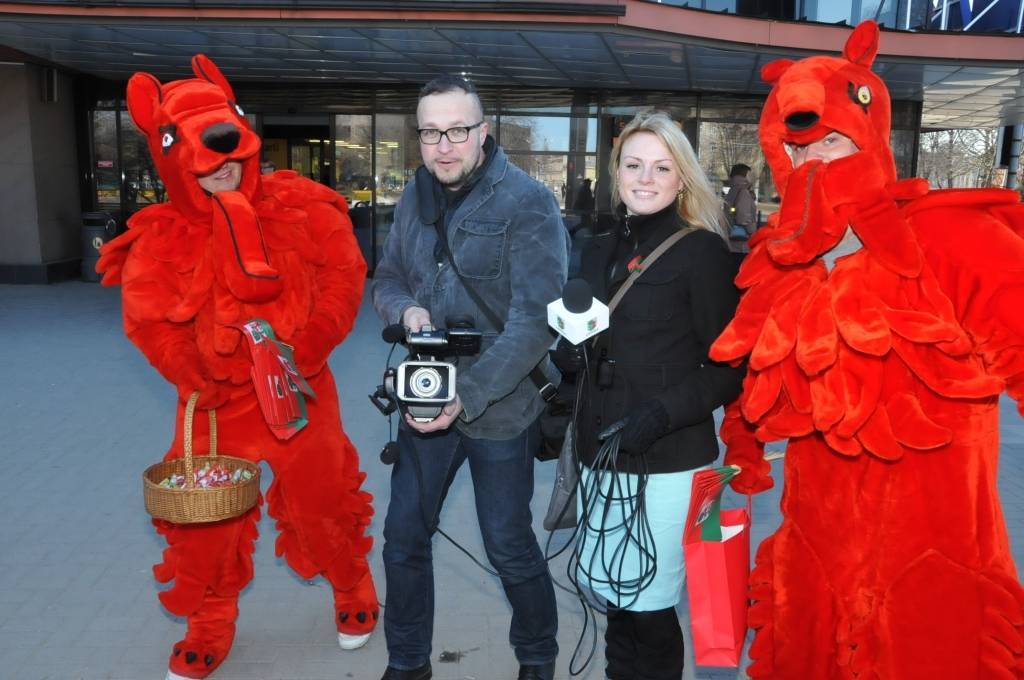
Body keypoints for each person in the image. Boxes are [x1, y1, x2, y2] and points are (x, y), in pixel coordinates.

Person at [711, 21, 1024, 679]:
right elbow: (756, 378)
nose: (816, 162)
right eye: (800, 152)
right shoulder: (782, 263)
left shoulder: (950, 236)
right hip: (817, 545)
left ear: (869, 136)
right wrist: (742, 444)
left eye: (832, 142)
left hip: (935, 548)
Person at [96, 56, 377, 680]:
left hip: (299, 390)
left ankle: (353, 584)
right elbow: (147, 319)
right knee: (205, 520)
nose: (221, 163)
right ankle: (210, 621)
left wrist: (312, 345)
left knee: (323, 498)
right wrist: (189, 369)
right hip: (215, 406)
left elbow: (343, 275)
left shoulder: (303, 206)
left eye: (228, 146)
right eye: (201, 153)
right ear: (169, 157)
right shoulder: (159, 238)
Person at [372, 75, 569, 680]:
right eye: (430, 132)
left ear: (483, 133)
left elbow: (535, 322)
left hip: (499, 403)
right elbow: (386, 278)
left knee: (508, 543)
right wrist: (404, 310)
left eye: (457, 130)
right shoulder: (413, 197)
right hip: (424, 394)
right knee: (403, 536)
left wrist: (471, 392)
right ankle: (407, 664)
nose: (443, 146)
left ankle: (537, 657)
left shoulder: (528, 201)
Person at [555, 110, 744, 680]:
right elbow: (587, 346)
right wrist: (566, 356)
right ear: (615, 171)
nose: (645, 178)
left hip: (668, 463)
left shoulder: (703, 253)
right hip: (600, 450)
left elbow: (730, 367)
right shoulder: (596, 248)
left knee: (652, 607)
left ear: (680, 178)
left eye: (661, 167)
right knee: (615, 599)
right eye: (633, 165)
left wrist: (660, 413)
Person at [723, 162, 757, 244]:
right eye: (750, 174)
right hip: (742, 242)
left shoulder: (732, 190)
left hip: (730, 236)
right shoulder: (743, 191)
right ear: (745, 175)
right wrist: (753, 232)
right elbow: (743, 217)